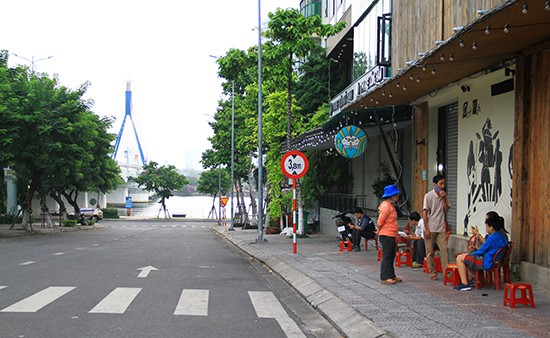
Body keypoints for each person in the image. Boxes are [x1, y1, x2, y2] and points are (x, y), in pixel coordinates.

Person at [454, 212, 509, 291]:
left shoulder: (492, 238)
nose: (486, 229)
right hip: (496, 259)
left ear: (491, 228)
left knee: (460, 258)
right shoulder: (502, 235)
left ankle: (465, 283)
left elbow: (481, 251)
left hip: (488, 261)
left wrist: (470, 253)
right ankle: (474, 279)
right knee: (466, 256)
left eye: (486, 227)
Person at [423, 174, 450, 281]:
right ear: (435, 185)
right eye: (440, 184)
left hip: (441, 227)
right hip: (431, 227)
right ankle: (432, 272)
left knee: (444, 250)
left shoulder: (444, 195)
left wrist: (443, 199)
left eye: (444, 184)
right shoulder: (428, 196)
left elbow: (446, 209)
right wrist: (427, 229)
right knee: (430, 251)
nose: (442, 186)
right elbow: (425, 213)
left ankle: (446, 272)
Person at [377, 184, 402, 284]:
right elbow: (380, 221)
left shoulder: (390, 206)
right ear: (391, 196)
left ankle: (391, 275)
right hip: (386, 234)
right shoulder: (386, 206)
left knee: (391, 255)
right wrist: (378, 230)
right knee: (387, 256)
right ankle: (384, 277)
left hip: (390, 234)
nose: (397, 197)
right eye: (396, 195)